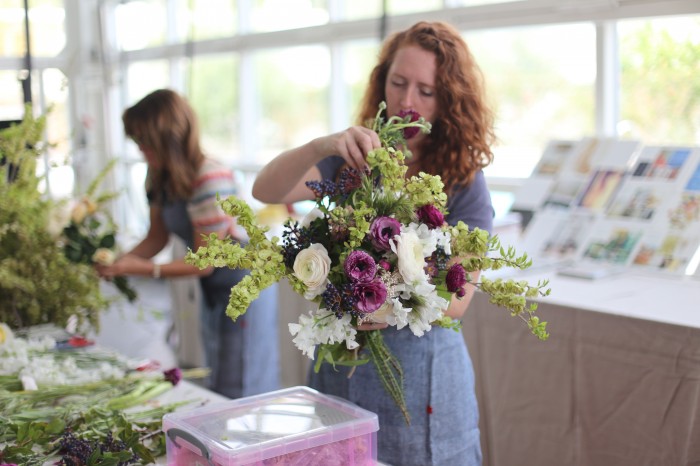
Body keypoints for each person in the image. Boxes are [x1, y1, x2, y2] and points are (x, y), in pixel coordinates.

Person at [252, 21, 494, 466]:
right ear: (381, 81)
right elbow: (266, 191)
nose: (407, 101)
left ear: (448, 101)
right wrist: (321, 145)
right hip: (344, 372)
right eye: (399, 83)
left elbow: (457, 300)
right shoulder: (354, 158)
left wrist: (378, 303)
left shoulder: (464, 179)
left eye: (426, 90)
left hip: (426, 384)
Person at [97, 89, 280, 399]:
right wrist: (119, 262)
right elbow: (156, 238)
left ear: (167, 137)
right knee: (218, 372)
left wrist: (144, 268)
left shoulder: (211, 178)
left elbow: (204, 263)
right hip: (214, 287)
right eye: (136, 141)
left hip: (244, 284)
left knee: (242, 381)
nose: (140, 149)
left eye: (144, 141)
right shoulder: (158, 177)